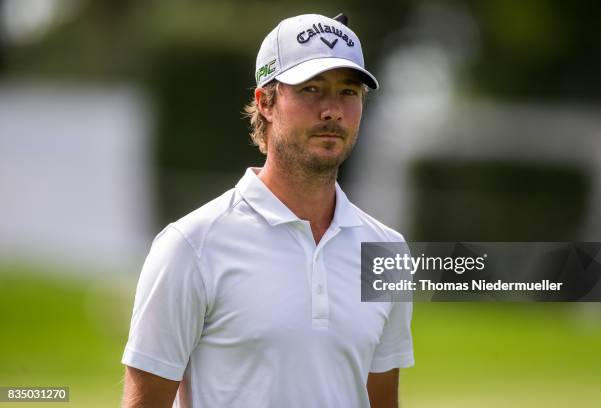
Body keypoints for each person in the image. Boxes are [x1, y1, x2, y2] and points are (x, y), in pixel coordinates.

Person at [121, 13, 414, 408]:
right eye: (311, 89)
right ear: (266, 102)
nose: (332, 110)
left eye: (348, 92)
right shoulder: (191, 246)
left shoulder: (386, 250)